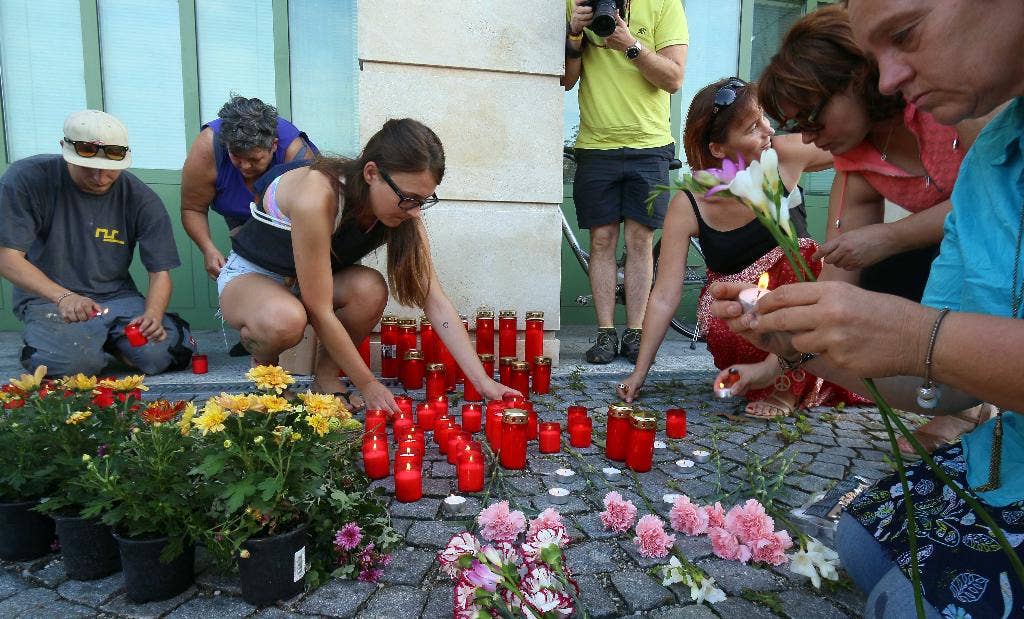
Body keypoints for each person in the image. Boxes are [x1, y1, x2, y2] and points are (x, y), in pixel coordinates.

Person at [710, 0, 1024, 616]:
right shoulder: (987, 166)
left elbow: (922, 340)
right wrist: (796, 342)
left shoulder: (962, 135)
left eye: (905, 34)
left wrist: (917, 334)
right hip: (1008, 447)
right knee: (858, 537)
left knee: (910, 598)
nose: (889, 79)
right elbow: (934, 376)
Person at [756, 4, 995, 454]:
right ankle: (959, 404)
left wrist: (891, 237)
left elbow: (994, 200)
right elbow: (839, 281)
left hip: (999, 248)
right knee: (871, 273)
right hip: (955, 252)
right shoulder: (857, 159)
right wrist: (781, 351)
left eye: (812, 118)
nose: (808, 139)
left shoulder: (944, 104)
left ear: (854, 78)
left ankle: (969, 401)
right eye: (797, 127)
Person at [217, 118, 517, 412]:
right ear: (371, 173)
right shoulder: (318, 195)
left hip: (306, 284)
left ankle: (325, 377)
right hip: (253, 279)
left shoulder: (404, 210)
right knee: (284, 318)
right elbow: (319, 309)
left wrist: (481, 381)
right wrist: (368, 384)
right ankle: (266, 373)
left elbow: (434, 300)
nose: (414, 212)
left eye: (423, 201)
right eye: (409, 198)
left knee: (370, 288)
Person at [616, 78, 865, 419]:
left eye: (764, 117)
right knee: (722, 309)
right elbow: (664, 295)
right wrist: (640, 371)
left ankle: (786, 387)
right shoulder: (689, 203)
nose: (768, 131)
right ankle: (761, 375)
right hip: (744, 320)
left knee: (801, 259)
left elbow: (853, 146)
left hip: (803, 306)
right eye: (752, 127)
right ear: (718, 148)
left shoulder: (784, 155)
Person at [0, 110, 195, 377]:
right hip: (49, 300)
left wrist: (153, 313)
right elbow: (7, 257)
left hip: (118, 297)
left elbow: (160, 272)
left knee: (162, 354)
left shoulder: (142, 199)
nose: (100, 178)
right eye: (89, 168)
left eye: (111, 170)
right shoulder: (27, 179)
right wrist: (64, 297)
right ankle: (65, 344)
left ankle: (113, 342)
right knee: (72, 368)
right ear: (64, 149)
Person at [563, 0, 688, 364]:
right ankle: (605, 333)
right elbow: (567, 80)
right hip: (595, 144)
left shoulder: (665, 4)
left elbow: (673, 78)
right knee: (601, 240)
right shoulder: (577, 2)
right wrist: (573, 33)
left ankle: (635, 332)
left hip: (649, 145)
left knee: (640, 239)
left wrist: (630, 44)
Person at [181, 95, 317, 280]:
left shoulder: (297, 155)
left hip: (291, 221)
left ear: (274, 146)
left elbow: (312, 224)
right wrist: (208, 249)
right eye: (236, 157)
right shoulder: (207, 147)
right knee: (247, 268)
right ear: (226, 145)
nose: (245, 167)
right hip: (237, 212)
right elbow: (192, 208)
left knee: (293, 280)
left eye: (255, 159)